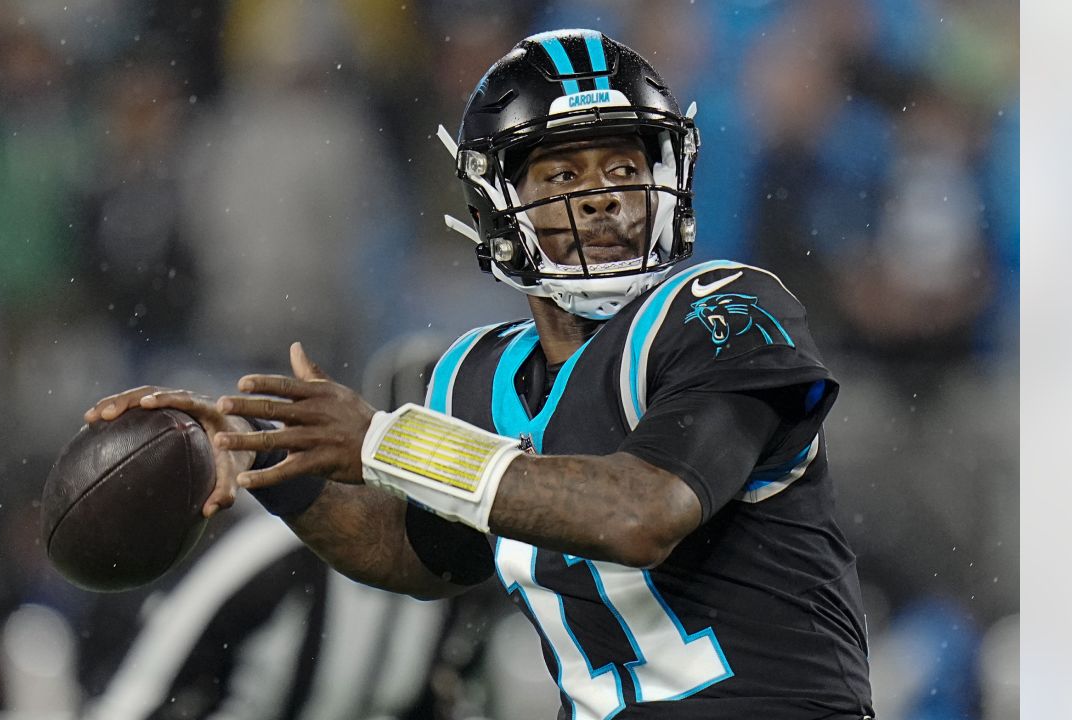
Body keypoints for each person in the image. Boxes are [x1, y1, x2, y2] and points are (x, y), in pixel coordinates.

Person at [87, 30, 874, 719]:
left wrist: (387, 443)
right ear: (498, 203)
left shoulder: (725, 308)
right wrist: (274, 465)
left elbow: (645, 512)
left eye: (623, 168)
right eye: (563, 177)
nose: (602, 200)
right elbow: (420, 554)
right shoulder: (474, 374)